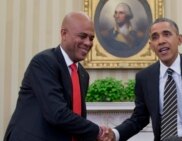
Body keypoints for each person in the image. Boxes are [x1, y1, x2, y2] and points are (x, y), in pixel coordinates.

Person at [3, 11, 112, 141]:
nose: (88, 43)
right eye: (82, 36)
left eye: (91, 38)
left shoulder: (83, 75)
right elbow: (57, 114)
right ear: (63, 34)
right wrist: (97, 131)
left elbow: (76, 119)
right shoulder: (44, 62)